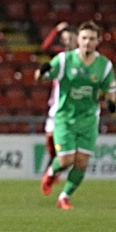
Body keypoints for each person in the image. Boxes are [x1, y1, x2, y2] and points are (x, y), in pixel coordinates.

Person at [38, 21, 116, 210]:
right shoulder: (64, 60)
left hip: (89, 119)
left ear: (98, 41)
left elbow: (110, 88)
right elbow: (41, 76)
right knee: (65, 160)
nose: (87, 42)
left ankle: (64, 196)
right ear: (78, 40)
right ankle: (51, 172)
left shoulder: (104, 65)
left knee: (81, 162)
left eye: (91, 39)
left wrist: (111, 101)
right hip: (65, 117)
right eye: (84, 38)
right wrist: (41, 73)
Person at [40, 22, 78, 171]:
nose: (68, 41)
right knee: (49, 136)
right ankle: (54, 161)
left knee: (65, 136)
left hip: (74, 103)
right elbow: (45, 48)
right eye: (65, 38)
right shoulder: (60, 55)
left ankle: (58, 164)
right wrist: (55, 30)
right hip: (57, 101)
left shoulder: (83, 57)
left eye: (71, 38)